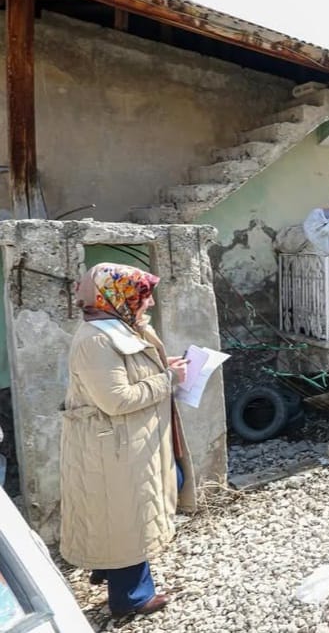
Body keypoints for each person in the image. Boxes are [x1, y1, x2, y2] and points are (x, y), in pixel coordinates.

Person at [59, 263, 195, 617]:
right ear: (117, 297)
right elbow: (116, 399)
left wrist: (164, 367)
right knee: (127, 516)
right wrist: (168, 379)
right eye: (142, 297)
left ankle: (107, 566)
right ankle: (131, 598)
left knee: (141, 502)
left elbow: (131, 374)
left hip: (129, 442)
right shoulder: (96, 340)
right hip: (113, 445)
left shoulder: (118, 327)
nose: (148, 305)